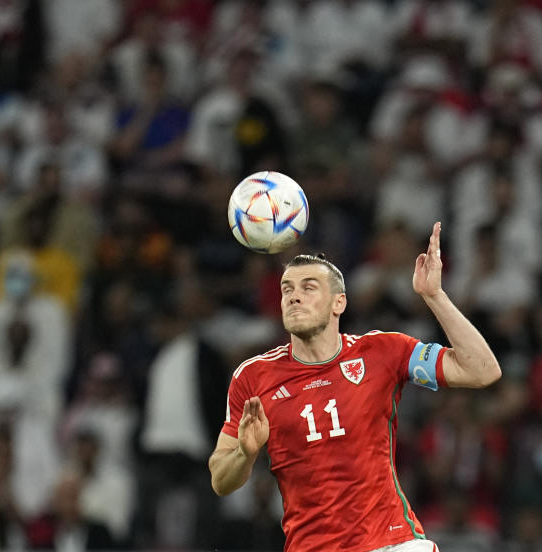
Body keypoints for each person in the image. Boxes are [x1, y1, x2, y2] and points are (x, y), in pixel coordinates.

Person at [208, 222, 502, 551]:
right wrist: (245, 454)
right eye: (287, 289)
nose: (294, 297)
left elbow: (482, 370)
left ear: (339, 303)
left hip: (392, 542)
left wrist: (435, 296)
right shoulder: (253, 376)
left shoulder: (383, 352)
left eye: (308, 287)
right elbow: (220, 480)